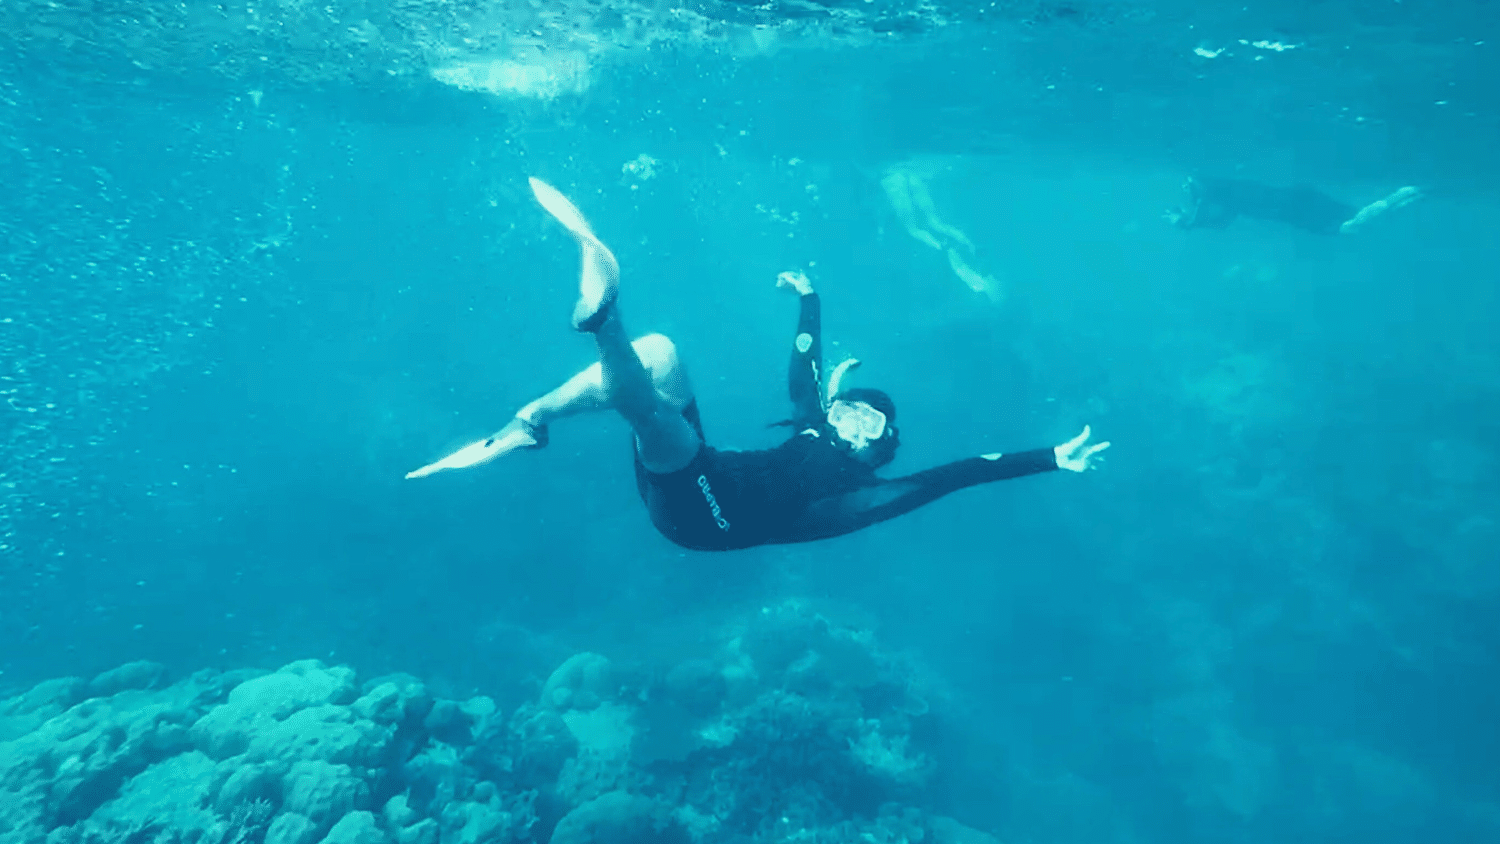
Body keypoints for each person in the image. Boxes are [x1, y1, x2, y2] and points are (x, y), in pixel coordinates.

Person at [405, 178, 1110, 551]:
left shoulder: (859, 494)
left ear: (880, 447)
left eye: (867, 420)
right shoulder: (817, 423)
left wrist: (1048, 457)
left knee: (650, 412)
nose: (849, 417)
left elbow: (957, 476)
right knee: (663, 357)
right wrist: (810, 298)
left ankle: (602, 321)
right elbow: (807, 371)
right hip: (695, 473)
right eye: (849, 406)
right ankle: (535, 420)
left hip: (705, 520)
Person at [1165, 175, 1421, 235]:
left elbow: (1202, 211)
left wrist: (1183, 221)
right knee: (1349, 219)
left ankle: (1392, 202)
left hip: (1292, 210)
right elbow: (1219, 222)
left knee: (1345, 228)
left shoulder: (1218, 192)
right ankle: (1406, 197)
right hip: (1299, 198)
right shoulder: (1231, 196)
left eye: (1189, 188)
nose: (1187, 192)